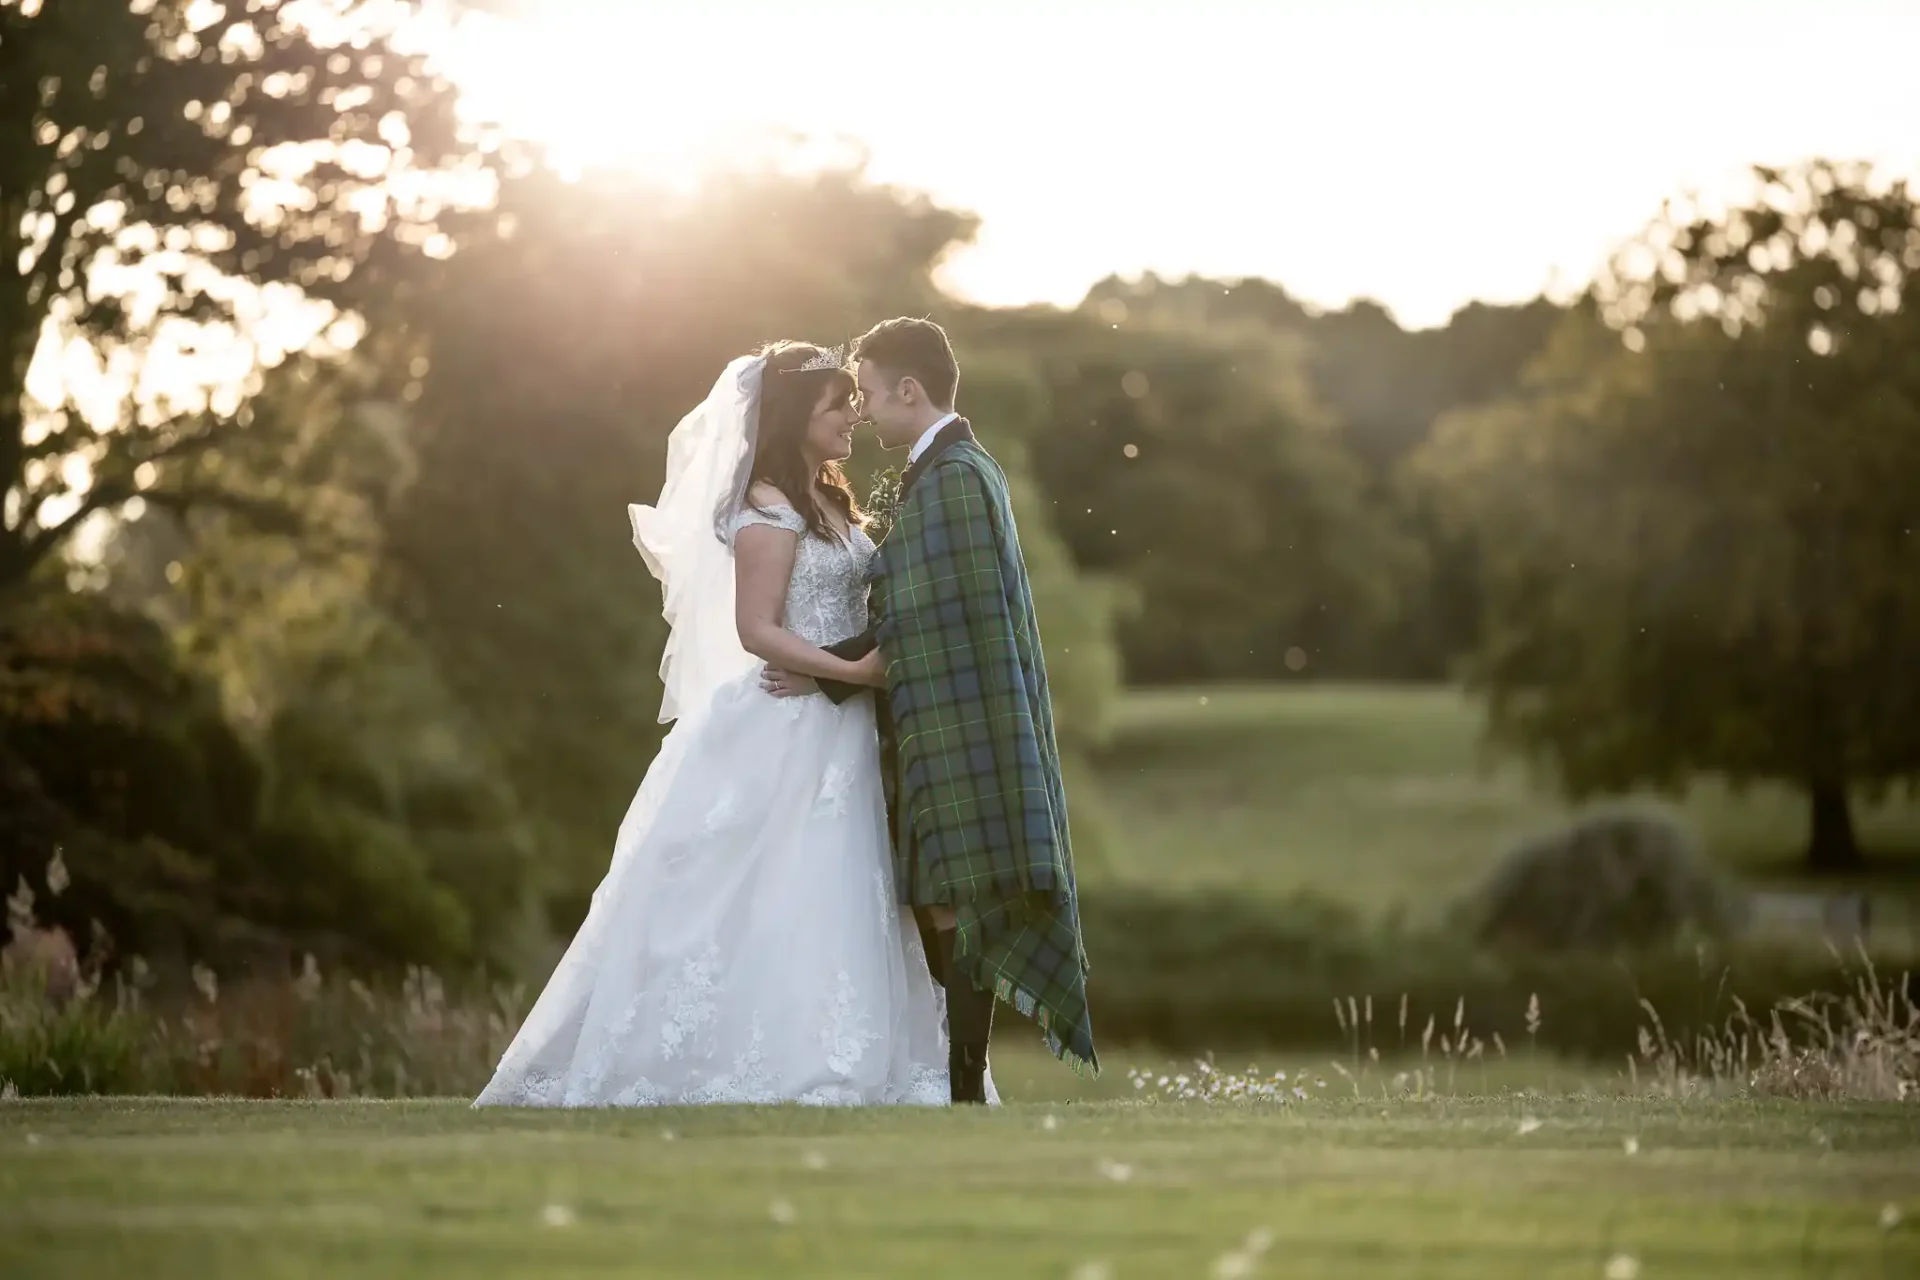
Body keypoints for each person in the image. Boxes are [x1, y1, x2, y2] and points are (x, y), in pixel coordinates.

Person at [475, 341, 992, 1107]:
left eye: (855, 400)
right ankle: (760, 1060)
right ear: (792, 419)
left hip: (839, 730)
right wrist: (852, 672)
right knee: (765, 888)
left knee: (840, 889)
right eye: (835, 405)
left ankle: (860, 1053)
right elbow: (757, 629)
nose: (853, 414)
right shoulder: (767, 508)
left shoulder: (830, 501)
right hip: (789, 722)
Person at [764, 318, 1098, 1101]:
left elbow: (927, 622)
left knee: (955, 899)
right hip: (946, 722)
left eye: (872, 396)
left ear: (910, 390)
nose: (865, 413)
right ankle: (960, 1085)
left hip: (959, 728)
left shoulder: (951, 478)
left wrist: (824, 674)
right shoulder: (951, 468)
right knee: (946, 900)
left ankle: (961, 1086)